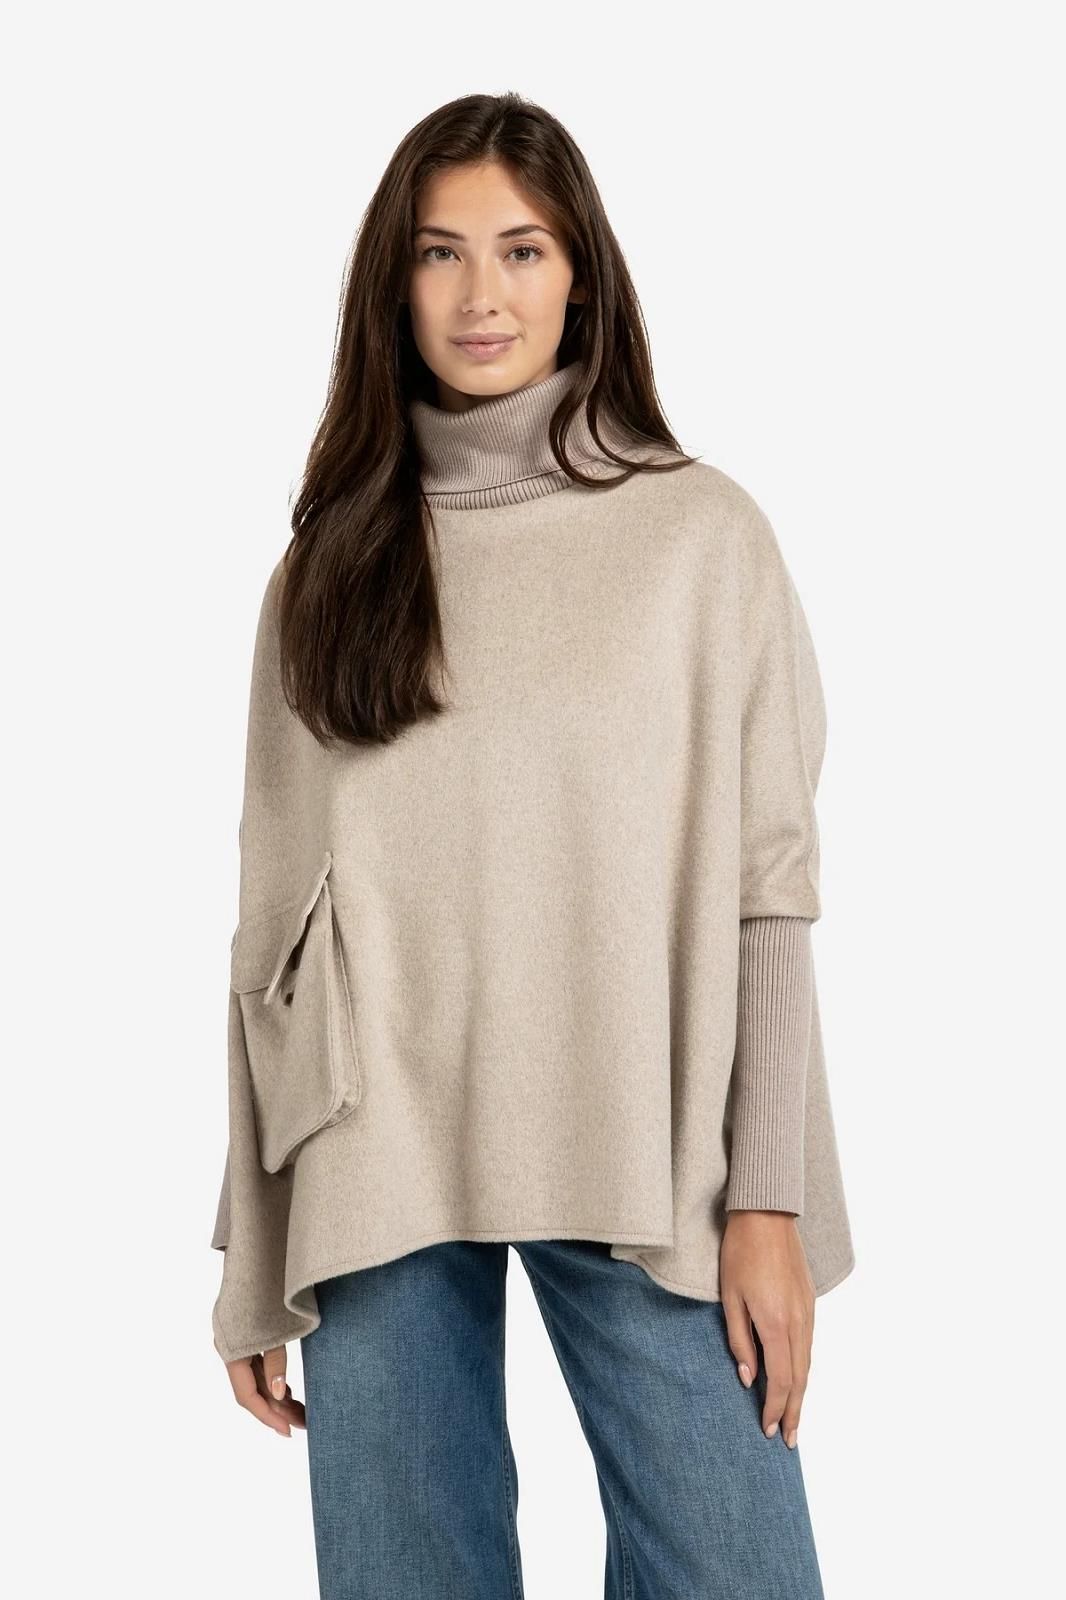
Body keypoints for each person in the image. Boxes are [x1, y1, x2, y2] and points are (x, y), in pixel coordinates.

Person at [209, 90, 855, 1599]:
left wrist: (766, 1202)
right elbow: (273, 927)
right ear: (394, 285)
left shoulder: (697, 537)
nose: (480, 294)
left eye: (521, 249)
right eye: (439, 253)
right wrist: (252, 1235)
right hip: (372, 1151)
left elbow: (767, 890)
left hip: (640, 1137)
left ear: (582, 277)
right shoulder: (330, 565)